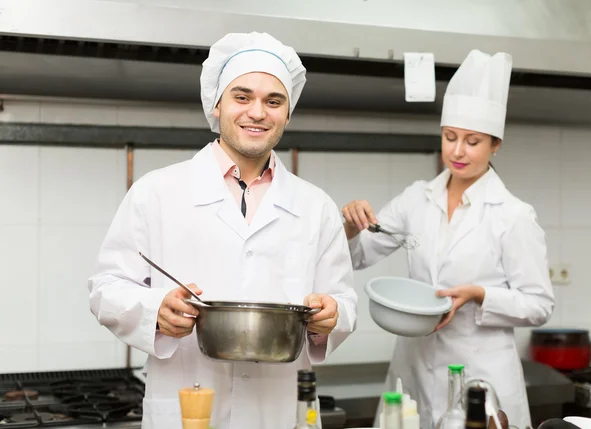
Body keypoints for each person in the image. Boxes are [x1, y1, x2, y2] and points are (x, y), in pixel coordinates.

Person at [88, 32, 358, 429]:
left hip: (281, 411)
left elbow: (343, 301)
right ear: (217, 105)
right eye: (242, 97)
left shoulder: (315, 206)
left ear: (288, 113)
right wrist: (154, 311)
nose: (257, 112)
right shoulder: (156, 191)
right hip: (186, 408)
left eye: (273, 101)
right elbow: (105, 288)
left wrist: (332, 316)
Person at [342, 49, 554, 429]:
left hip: (483, 377)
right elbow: (357, 256)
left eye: (472, 141)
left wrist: (478, 294)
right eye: (450, 137)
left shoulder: (513, 215)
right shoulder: (416, 198)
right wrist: (351, 225)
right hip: (414, 368)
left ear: (495, 145)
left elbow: (538, 305)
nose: (457, 151)